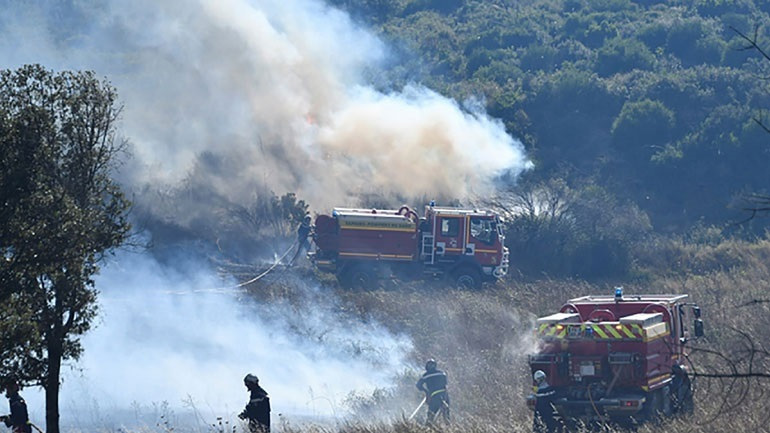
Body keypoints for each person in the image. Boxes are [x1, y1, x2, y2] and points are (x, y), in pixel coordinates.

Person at [415, 359, 450, 424]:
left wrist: (426, 391)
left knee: (430, 417)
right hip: (444, 395)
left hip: (434, 397)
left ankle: (429, 429)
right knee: (446, 416)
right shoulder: (441, 373)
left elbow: (418, 385)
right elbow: (445, 383)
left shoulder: (426, 375)